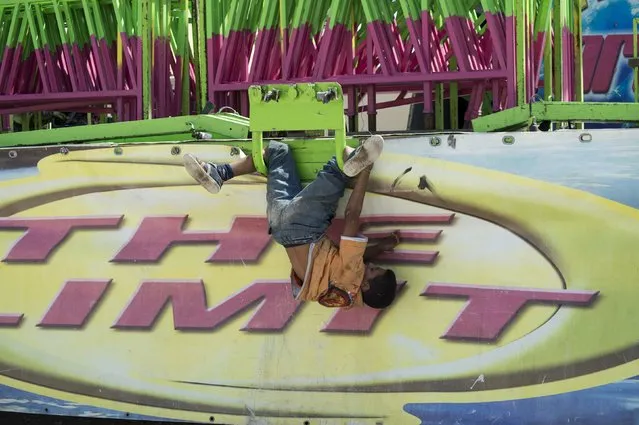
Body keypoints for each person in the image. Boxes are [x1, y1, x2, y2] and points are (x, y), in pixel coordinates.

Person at [183, 135, 399, 309]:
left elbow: (352, 214)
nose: (370, 266)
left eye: (374, 270)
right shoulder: (334, 294)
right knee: (278, 152)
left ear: (367, 284)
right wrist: (381, 246)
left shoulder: (353, 275)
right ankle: (219, 173)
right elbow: (353, 260)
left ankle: (355, 159)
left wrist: (367, 170)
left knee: (340, 167)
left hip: (306, 224)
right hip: (280, 226)